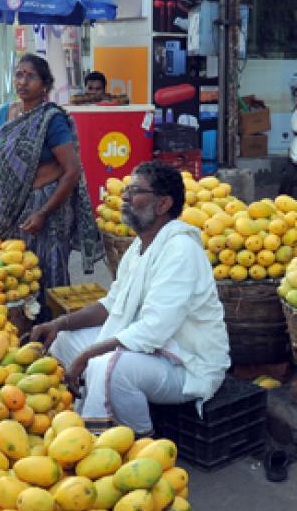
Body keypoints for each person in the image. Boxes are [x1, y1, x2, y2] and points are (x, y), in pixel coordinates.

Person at [28, 162, 229, 435]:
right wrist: (60, 323)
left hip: (185, 364)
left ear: (162, 204)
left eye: (134, 191)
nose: (124, 197)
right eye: (126, 190)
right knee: (64, 340)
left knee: (111, 367)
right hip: (151, 350)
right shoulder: (140, 247)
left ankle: (137, 444)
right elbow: (113, 305)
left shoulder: (180, 250)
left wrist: (89, 354)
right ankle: (77, 420)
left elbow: (153, 330)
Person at [0, 54, 104, 302]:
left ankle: (53, 331)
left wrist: (43, 213)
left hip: (45, 209)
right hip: (8, 209)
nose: (23, 81)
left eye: (31, 76)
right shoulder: (6, 113)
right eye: (19, 74)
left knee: (47, 275)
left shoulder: (52, 119)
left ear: (45, 85)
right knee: (9, 275)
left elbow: (72, 170)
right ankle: (19, 330)